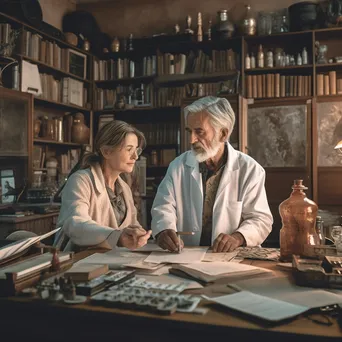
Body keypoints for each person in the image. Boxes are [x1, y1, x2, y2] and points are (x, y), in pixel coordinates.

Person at [151, 96, 273, 253]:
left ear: (223, 134)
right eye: (189, 131)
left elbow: (261, 219)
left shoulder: (250, 170)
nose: (191, 140)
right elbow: (163, 207)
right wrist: (164, 229)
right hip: (186, 254)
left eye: (199, 132)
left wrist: (238, 237)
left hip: (231, 259)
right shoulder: (178, 166)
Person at [54, 120, 151, 252]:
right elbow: (75, 224)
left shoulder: (124, 188)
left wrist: (139, 235)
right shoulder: (81, 180)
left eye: (136, 150)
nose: (135, 156)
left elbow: (132, 226)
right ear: (106, 152)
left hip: (116, 262)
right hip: (81, 262)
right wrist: (117, 236)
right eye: (129, 149)